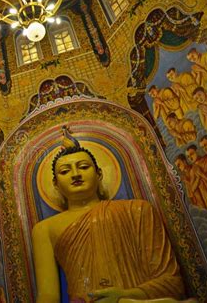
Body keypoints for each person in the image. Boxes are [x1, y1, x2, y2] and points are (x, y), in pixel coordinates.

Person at [31, 129, 184, 302]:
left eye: (83, 167)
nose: (76, 174)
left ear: (99, 174)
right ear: (56, 184)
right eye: (65, 171)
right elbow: (48, 295)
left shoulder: (138, 210)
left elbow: (172, 284)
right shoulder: (45, 229)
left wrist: (125, 296)